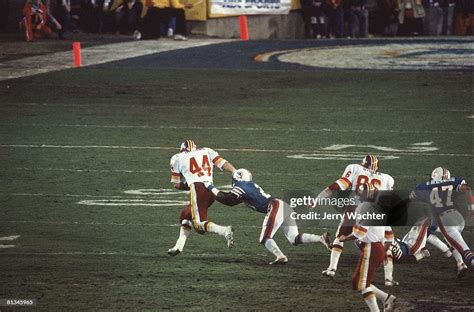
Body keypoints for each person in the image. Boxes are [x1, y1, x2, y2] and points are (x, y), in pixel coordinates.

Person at [205, 168, 331, 264]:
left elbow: (227, 200)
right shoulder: (248, 186)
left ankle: (280, 256)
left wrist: (210, 187)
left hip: (275, 206)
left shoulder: (241, 185)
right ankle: (320, 238)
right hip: (282, 206)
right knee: (294, 238)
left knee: (265, 238)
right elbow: (231, 202)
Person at [314, 154, 398, 286]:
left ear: (363, 163)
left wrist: (318, 198)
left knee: (340, 237)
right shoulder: (387, 178)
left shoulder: (354, 168)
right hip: (377, 209)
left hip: (355, 206)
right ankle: (388, 278)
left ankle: (332, 268)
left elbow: (337, 185)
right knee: (385, 241)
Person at [167, 140, 237, 256]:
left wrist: (190, 184)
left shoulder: (177, 158)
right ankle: (178, 246)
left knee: (199, 225)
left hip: (198, 189)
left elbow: (176, 184)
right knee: (186, 214)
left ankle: (224, 231)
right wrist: (235, 171)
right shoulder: (207, 151)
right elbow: (223, 163)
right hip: (211, 190)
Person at [409, 167, 474, 277]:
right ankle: (460, 263)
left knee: (465, 250)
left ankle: (455, 255)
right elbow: (467, 189)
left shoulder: (424, 186)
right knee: (450, 239)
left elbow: (412, 196)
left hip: (444, 220)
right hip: (458, 217)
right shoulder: (455, 181)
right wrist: (472, 209)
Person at [339, 221, 397, 312]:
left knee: (361, 283)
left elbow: (359, 233)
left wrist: (344, 238)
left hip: (371, 248)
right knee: (360, 282)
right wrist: (382, 253)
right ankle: (387, 298)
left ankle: (379, 306)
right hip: (378, 248)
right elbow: (390, 239)